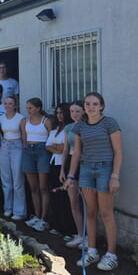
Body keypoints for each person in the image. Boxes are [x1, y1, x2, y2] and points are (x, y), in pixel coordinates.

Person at [66, 92, 123, 271]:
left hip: (105, 170)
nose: (91, 107)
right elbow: (76, 152)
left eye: (95, 104)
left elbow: (119, 152)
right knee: (90, 212)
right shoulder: (80, 127)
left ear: (101, 106)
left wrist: (115, 176)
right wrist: (70, 176)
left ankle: (111, 255)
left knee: (106, 213)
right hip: (86, 170)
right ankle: (92, 251)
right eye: (88, 104)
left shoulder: (109, 123)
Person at [21, 97, 52, 232]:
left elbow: (51, 138)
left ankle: (44, 218)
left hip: (42, 151)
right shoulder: (24, 121)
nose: (28, 110)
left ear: (38, 108)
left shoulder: (46, 121)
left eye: (31, 108)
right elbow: (24, 138)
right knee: (33, 187)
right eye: (27, 107)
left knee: (43, 187)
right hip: (28, 151)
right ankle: (37, 215)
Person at [46, 103, 76, 236]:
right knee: (55, 194)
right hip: (54, 163)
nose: (59, 115)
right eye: (57, 113)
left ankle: (68, 228)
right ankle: (57, 225)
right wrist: (58, 147)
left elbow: (66, 147)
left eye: (62, 113)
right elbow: (48, 146)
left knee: (65, 196)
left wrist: (58, 147)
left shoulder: (70, 129)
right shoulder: (56, 129)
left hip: (64, 165)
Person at [60, 101, 85, 248]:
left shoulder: (87, 127)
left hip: (84, 163)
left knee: (87, 202)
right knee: (73, 201)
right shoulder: (68, 127)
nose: (74, 114)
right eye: (71, 111)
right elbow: (65, 150)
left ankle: (89, 236)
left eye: (77, 111)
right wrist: (63, 169)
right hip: (70, 162)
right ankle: (80, 234)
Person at [0, 96, 26, 220]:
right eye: (6, 103)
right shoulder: (0, 118)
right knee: (6, 179)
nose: (8, 105)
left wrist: (24, 148)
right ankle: (7, 208)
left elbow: (24, 135)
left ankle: (19, 211)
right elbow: (0, 134)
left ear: (15, 105)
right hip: (4, 146)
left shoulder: (21, 118)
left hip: (17, 146)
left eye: (10, 103)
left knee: (17, 180)